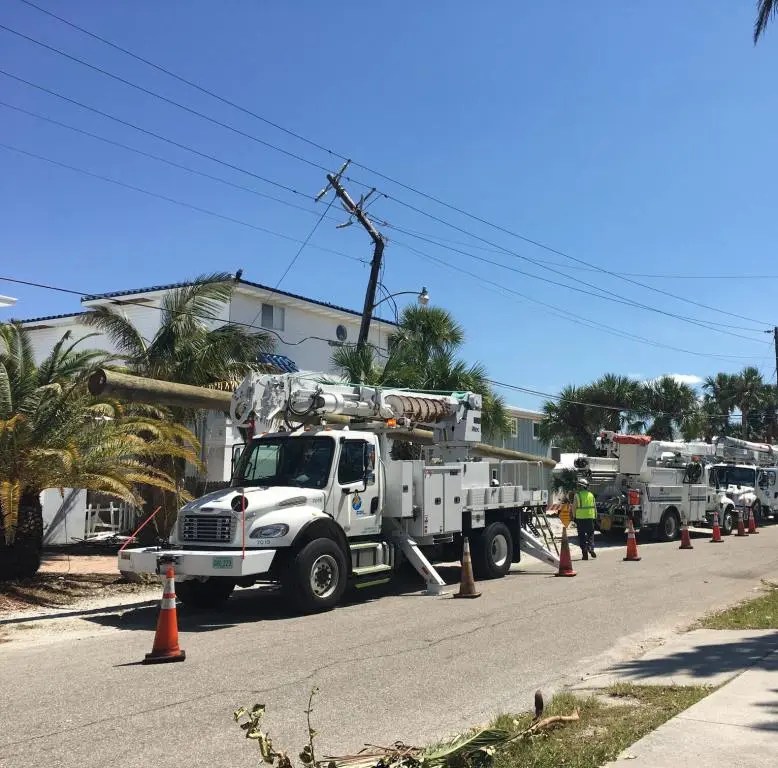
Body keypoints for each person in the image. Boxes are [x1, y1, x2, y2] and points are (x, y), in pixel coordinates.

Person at [573, 478, 597, 560]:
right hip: (590, 517)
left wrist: (574, 517)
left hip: (580, 518)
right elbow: (595, 507)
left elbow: (574, 508)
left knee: (581, 536)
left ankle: (584, 553)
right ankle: (591, 548)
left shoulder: (577, 495)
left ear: (580, 486)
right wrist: (595, 516)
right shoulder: (591, 495)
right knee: (591, 534)